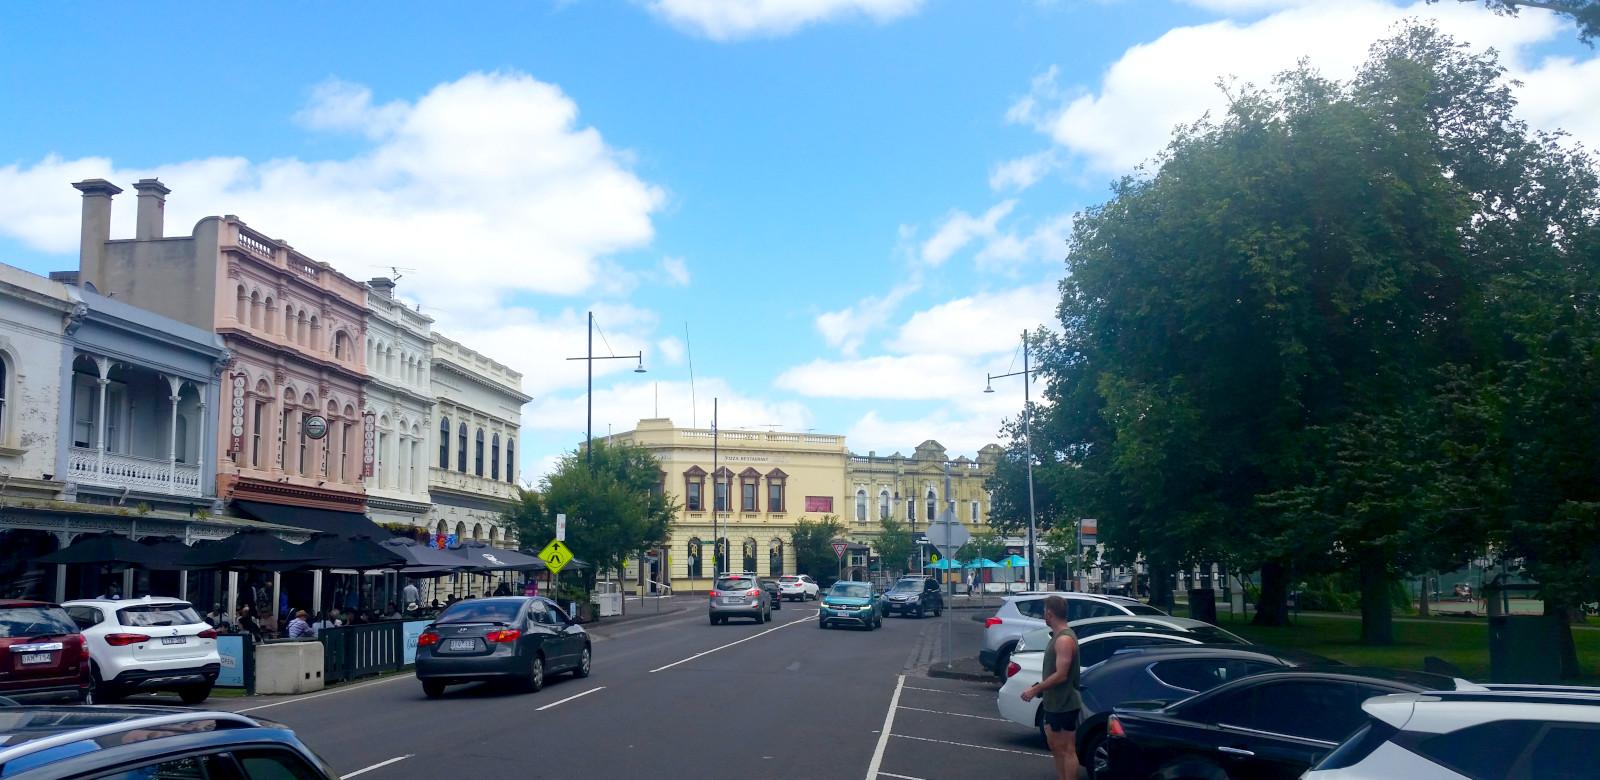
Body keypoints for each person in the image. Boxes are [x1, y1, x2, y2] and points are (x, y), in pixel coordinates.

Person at [1021, 595, 1081, 780]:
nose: (1043, 615)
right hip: (1054, 702)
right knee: (1056, 746)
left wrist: (1035, 689)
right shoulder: (1058, 636)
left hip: (1065, 703)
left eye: (1044, 612)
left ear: (1049, 613)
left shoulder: (1064, 639)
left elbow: (1062, 674)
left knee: (1067, 748)